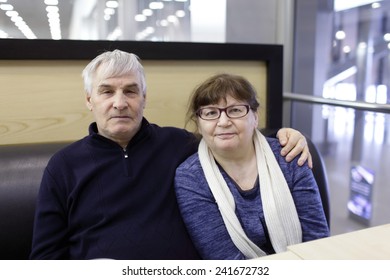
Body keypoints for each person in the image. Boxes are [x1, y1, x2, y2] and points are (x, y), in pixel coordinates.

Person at [30, 50, 312, 260]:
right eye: (106, 92)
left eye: (131, 91)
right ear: (89, 100)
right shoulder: (63, 166)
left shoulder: (180, 144)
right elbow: (45, 258)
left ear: (144, 98)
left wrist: (286, 134)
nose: (120, 103)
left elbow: (229, 134)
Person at [174, 73, 330, 260]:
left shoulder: (289, 154)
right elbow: (226, 261)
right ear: (199, 124)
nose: (223, 122)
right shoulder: (190, 178)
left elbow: (317, 242)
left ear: (255, 117)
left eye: (236, 110)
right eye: (210, 113)